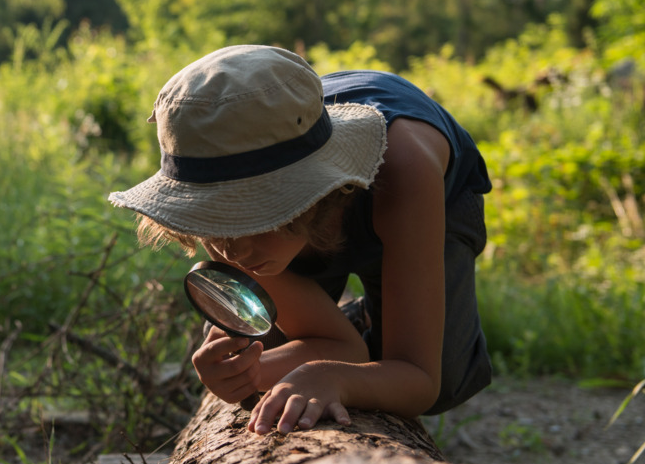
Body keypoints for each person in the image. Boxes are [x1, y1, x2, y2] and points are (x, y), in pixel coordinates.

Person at [110, 45, 492, 435]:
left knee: (443, 375)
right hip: (298, 203)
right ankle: (363, 323)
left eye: (249, 217)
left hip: (418, 196)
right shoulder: (221, 155)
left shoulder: (406, 171)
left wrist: (333, 377)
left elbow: (420, 382)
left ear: (309, 198)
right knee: (267, 350)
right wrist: (246, 372)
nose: (232, 250)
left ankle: (378, 318)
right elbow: (275, 360)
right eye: (213, 220)